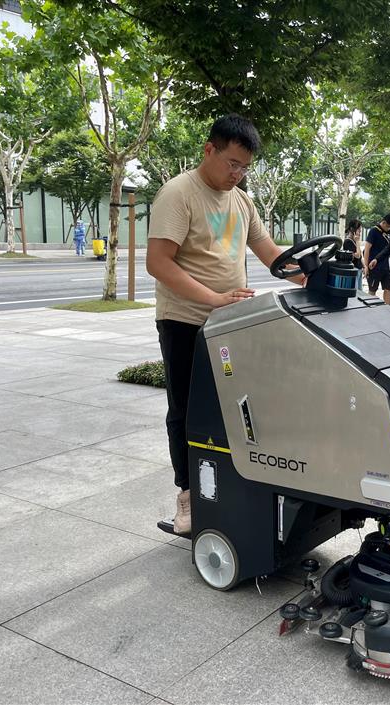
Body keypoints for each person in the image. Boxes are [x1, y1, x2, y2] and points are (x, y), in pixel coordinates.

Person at [146, 114, 302, 536]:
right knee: (185, 410)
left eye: (245, 167)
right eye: (232, 163)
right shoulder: (178, 194)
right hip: (185, 322)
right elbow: (157, 262)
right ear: (209, 150)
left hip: (232, 325)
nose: (238, 174)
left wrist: (308, 273)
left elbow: (270, 254)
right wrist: (214, 299)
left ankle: (232, 485)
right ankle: (188, 497)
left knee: (238, 407)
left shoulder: (241, 201)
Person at [364, 214, 390, 304]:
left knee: (388, 288)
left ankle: (388, 310)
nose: (389, 229)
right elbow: (367, 249)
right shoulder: (373, 231)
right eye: (388, 226)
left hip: (385, 266)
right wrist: (365, 266)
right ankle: (370, 310)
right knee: (372, 290)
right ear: (384, 222)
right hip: (373, 267)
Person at [342, 219, 364, 290]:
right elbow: (357, 255)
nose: (360, 233)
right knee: (356, 292)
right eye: (359, 230)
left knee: (360, 291)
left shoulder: (354, 241)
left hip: (359, 269)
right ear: (352, 229)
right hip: (354, 270)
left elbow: (360, 254)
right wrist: (357, 241)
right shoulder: (348, 242)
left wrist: (364, 266)